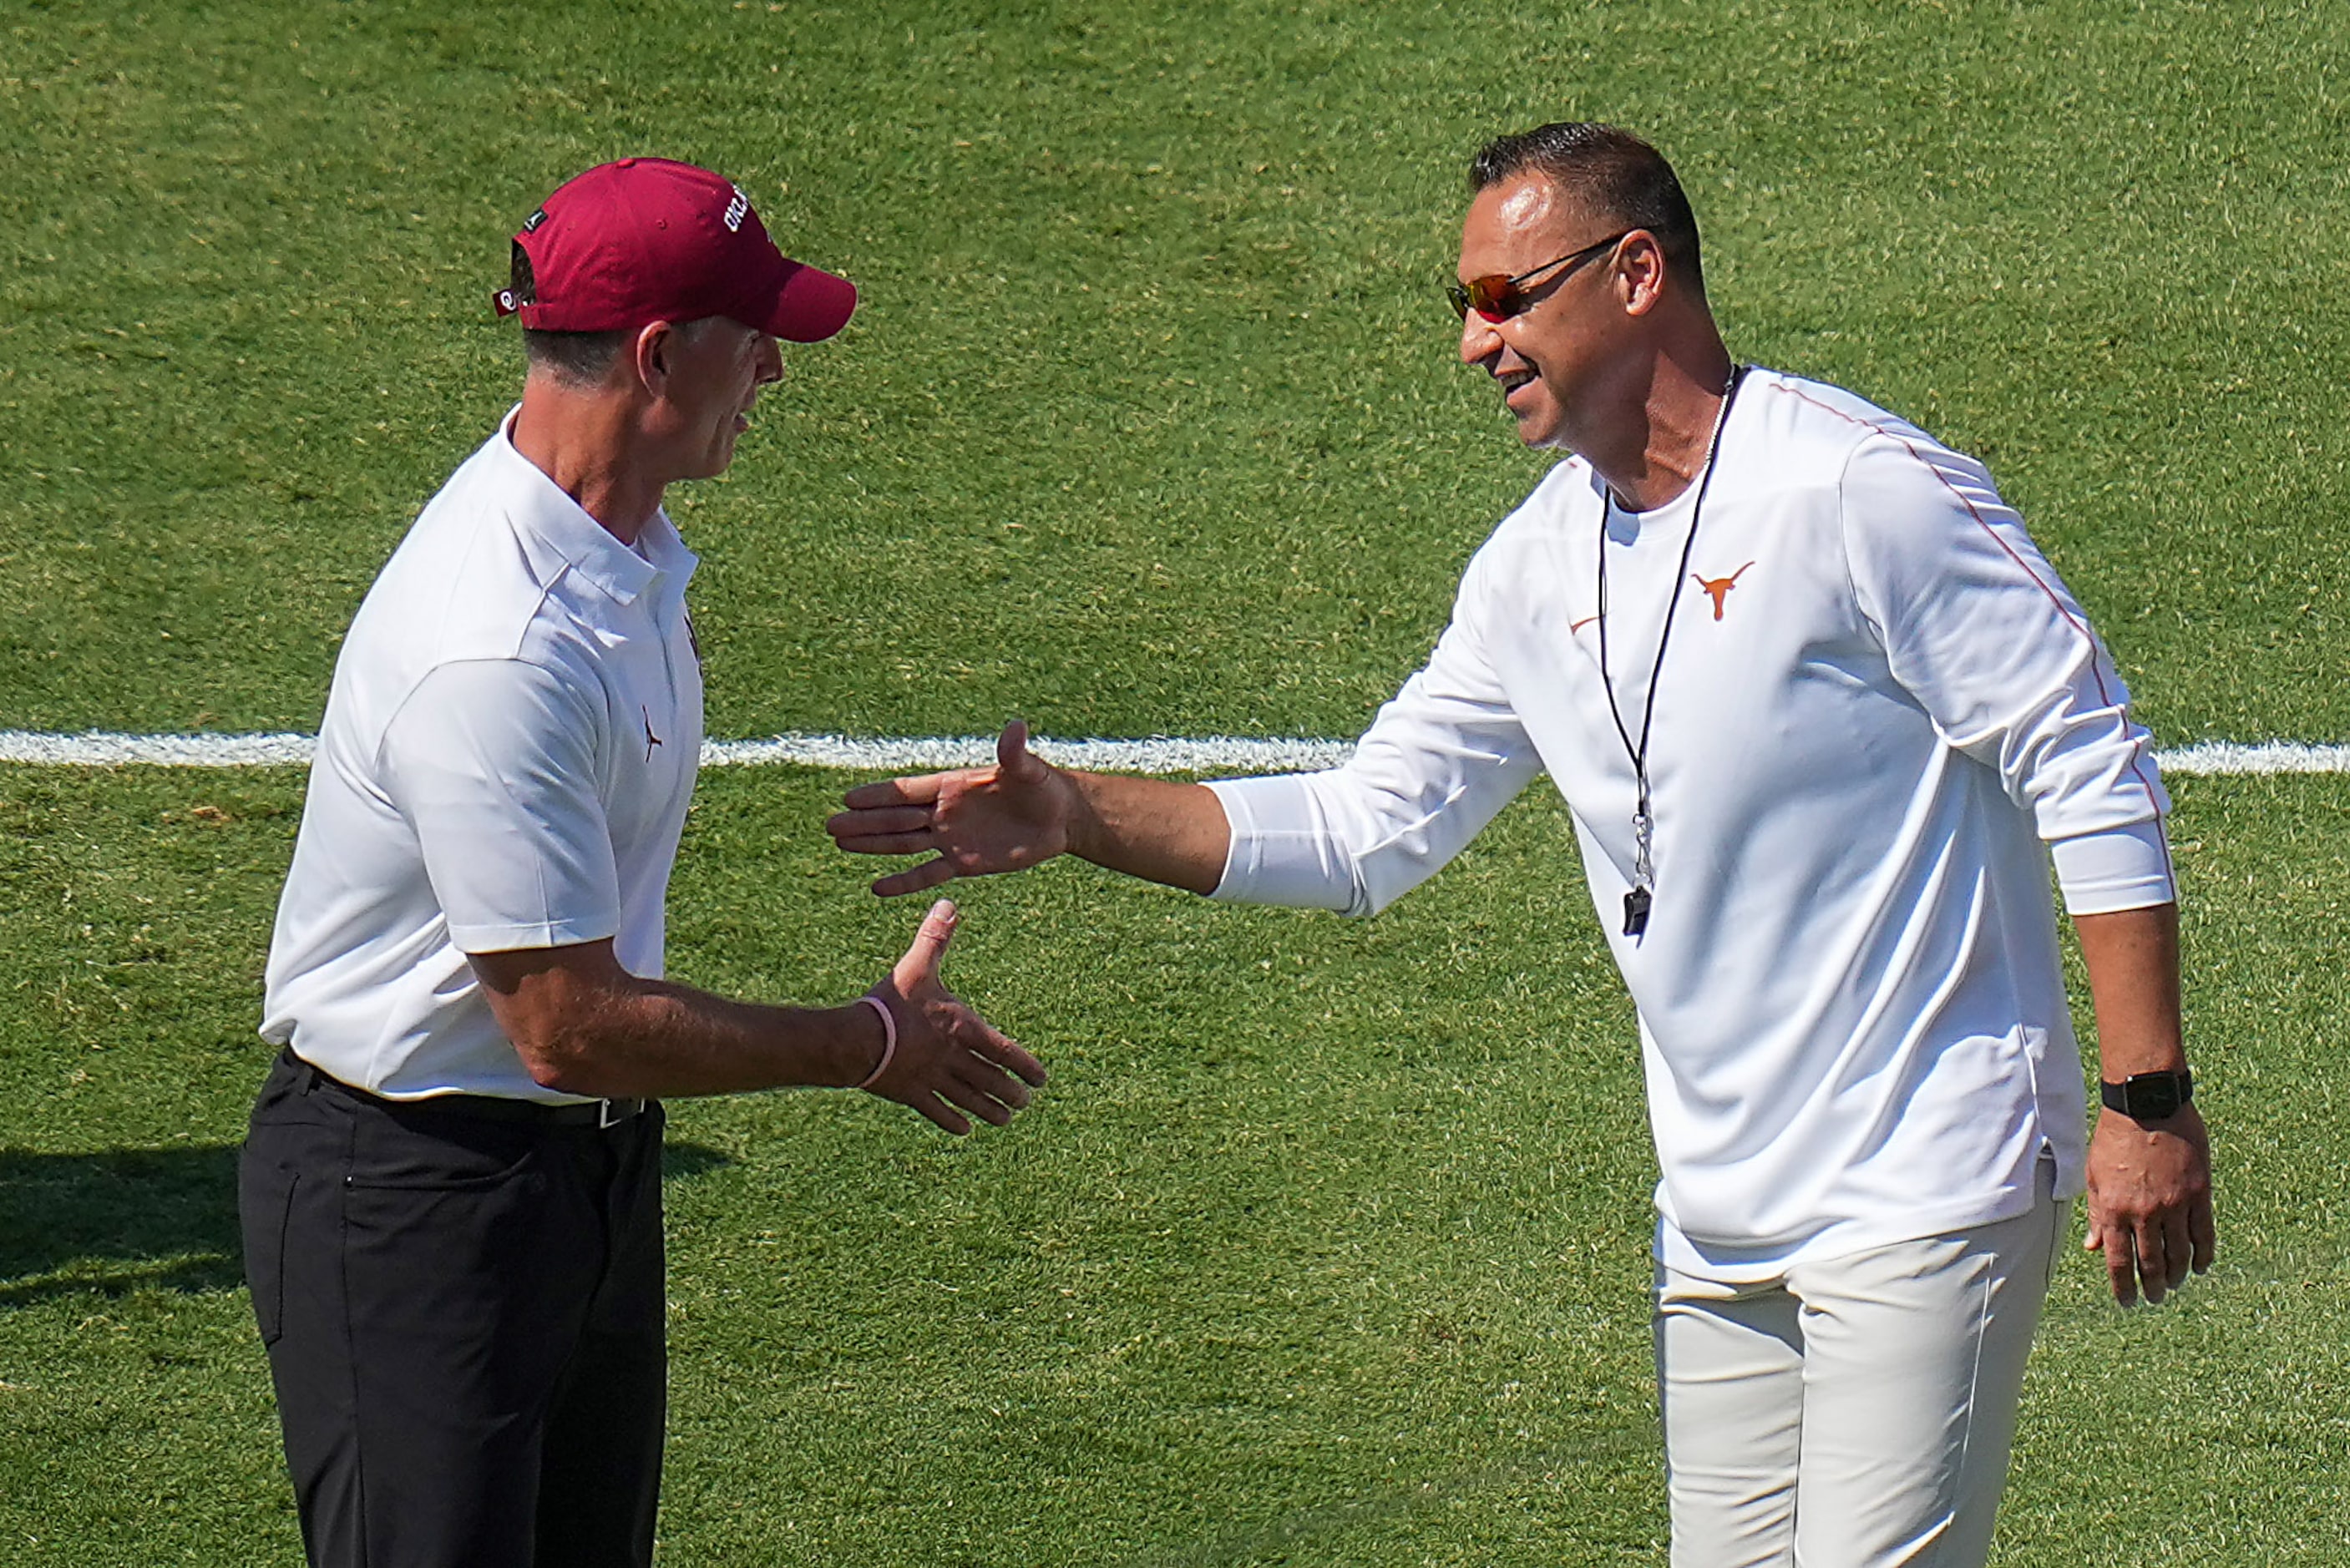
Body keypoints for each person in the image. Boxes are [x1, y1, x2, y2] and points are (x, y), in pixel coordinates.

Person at [827, 123, 2213, 1566]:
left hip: (1931, 1175)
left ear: (1633, 272)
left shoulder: (1858, 491)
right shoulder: (1532, 565)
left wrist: (2145, 1098)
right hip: (1719, 1215)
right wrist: (1074, 813)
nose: (1475, 343)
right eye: (1463, 306)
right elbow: (1369, 826)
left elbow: (2086, 757)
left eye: (1506, 297)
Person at [240, 156, 1047, 1568]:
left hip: (574, 1179)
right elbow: (564, 1024)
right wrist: (866, 1042)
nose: (776, 377)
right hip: (418, 1198)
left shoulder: (621, 553)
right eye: (757, 340)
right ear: (662, 354)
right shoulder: (497, 646)